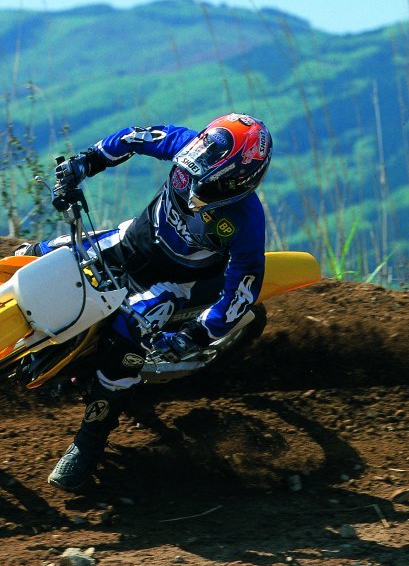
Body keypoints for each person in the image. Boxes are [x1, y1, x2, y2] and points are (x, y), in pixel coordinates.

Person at [16, 113, 272, 492]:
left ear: (240, 177)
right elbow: (134, 138)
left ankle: (89, 442)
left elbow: (243, 290)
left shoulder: (246, 220)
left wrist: (198, 334)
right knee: (30, 257)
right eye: (198, 158)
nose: (195, 175)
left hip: (177, 283)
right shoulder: (186, 145)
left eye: (210, 171)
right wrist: (84, 164)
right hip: (129, 241)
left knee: (125, 335)